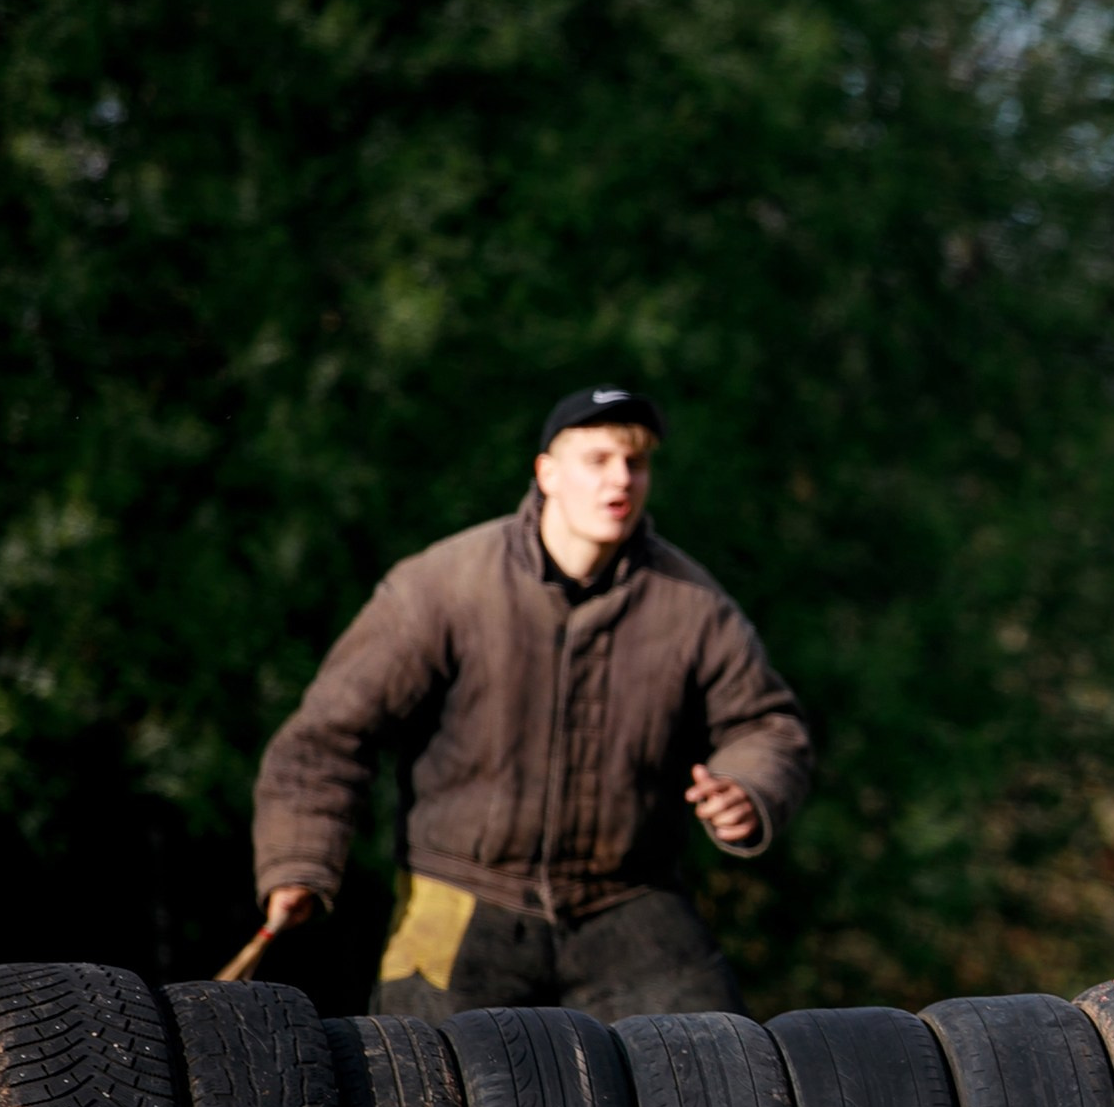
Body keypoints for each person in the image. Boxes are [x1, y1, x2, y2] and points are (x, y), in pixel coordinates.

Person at [248, 385, 813, 1019]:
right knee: (421, 1098)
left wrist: (747, 788)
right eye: (597, 460)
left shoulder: (693, 605)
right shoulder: (441, 586)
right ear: (547, 472)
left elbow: (767, 726)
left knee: (718, 1081)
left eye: (636, 462)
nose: (620, 479)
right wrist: (299, 859)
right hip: (458, 893)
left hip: (628, 902)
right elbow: (328, 735)